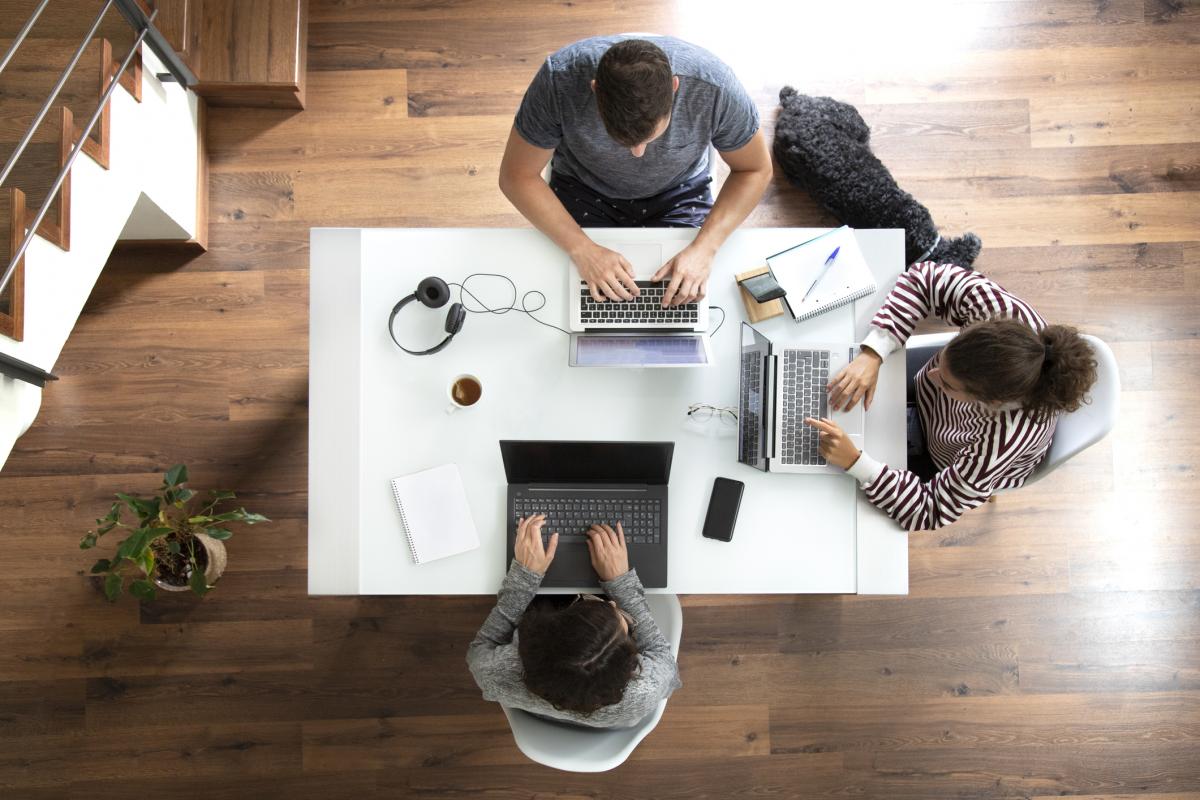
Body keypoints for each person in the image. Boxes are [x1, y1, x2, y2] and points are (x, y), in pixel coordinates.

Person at [804, 261, 1098, 531]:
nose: (929, 377)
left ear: (990, 403)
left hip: (944, 456)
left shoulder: (1002, 443)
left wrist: (856, 462)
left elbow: (928, 509)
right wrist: (874, 352)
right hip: (936, 412)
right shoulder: (1001, 313)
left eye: (946, 383)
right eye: (946, 356)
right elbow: (924, 279)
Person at [499, 35, 772, 308]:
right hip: (584, 188)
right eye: (622, 140)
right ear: (595, 89)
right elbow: (517, 176)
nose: (638, 154)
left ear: (675, 87)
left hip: (678, 191)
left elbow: (755, 169)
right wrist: (581, 248)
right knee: (567, 301)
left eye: (649, 138)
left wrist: (705, 249)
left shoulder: (715, 86)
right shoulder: (558, 80)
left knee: (683, 299)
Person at [466, 514, 681, 728]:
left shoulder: (496, 673)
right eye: (621, 618)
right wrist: (621, 583)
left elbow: (480, 648)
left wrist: (524, 577)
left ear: (546, 629)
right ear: (631, 665)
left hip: (538, 717)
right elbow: (663, 658)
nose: (614, 605)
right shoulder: (644, 690)